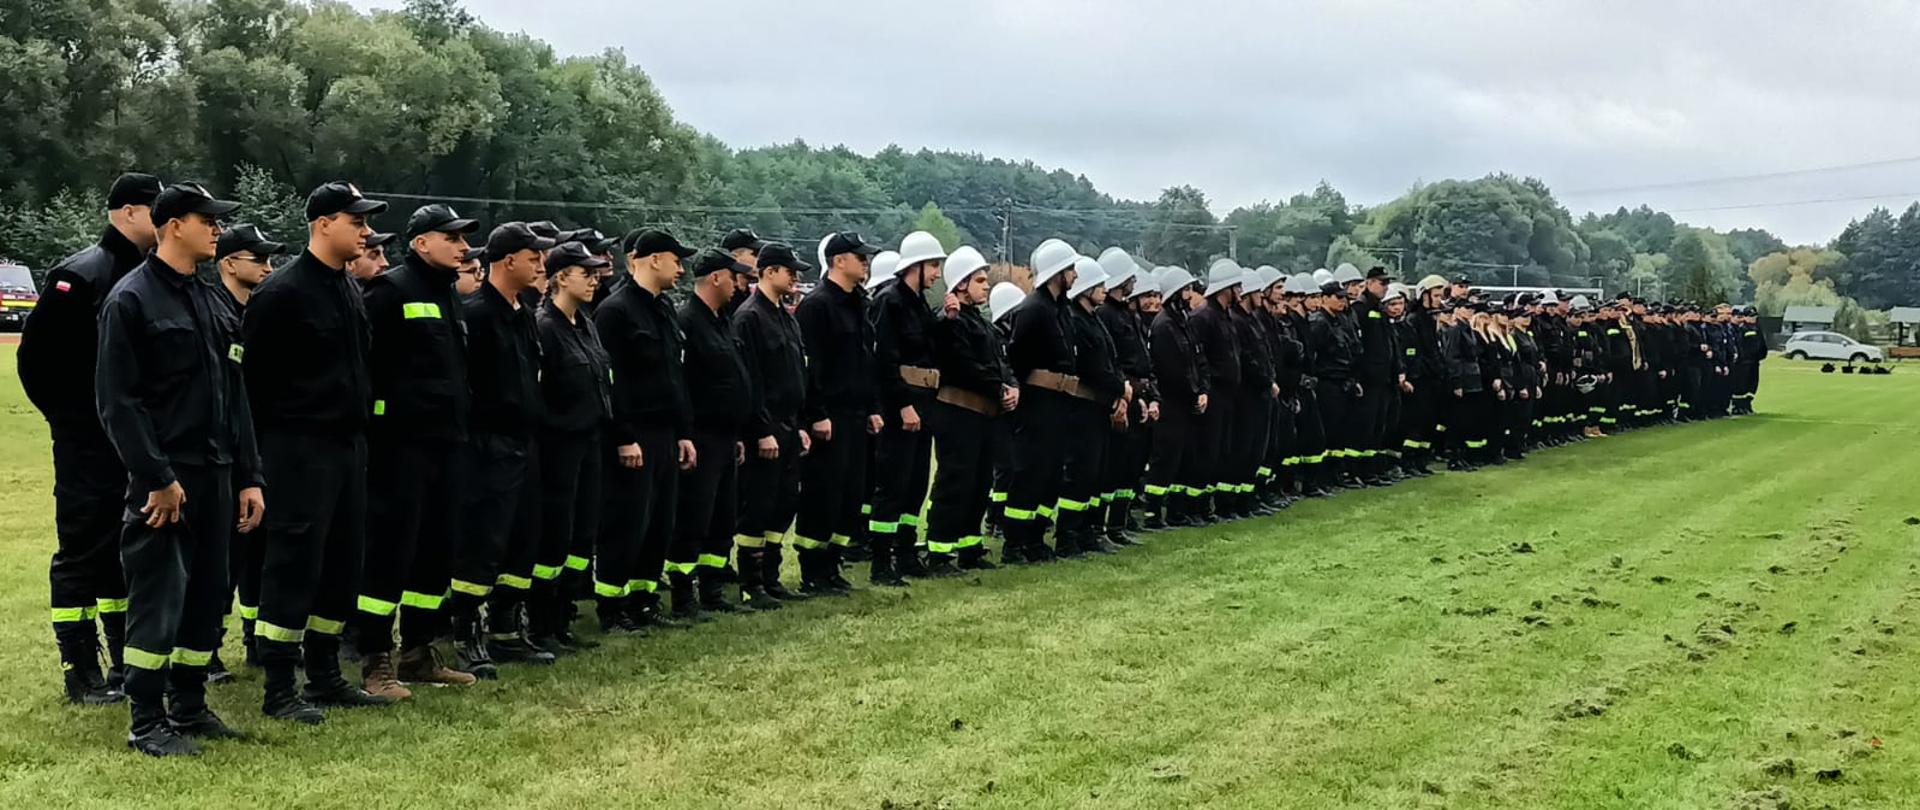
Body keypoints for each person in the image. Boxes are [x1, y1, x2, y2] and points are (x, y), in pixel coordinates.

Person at [96, 181, 264, 755]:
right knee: (159, 597)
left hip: (217, 474)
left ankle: (189, 706)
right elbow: (119, 403)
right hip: (167, 478)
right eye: (207, 220)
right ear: (172, 226)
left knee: (207, 594)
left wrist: (249, 476)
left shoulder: (211, 300)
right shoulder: (132, 299)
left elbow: (235, 396)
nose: (216, 229)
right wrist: (156, 478)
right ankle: (146, 719)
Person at [242, 181, 389, 721]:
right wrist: (255, 465)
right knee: (293, 564)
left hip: (348, 449)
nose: (366, 231)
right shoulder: (282, 293)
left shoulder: (348, 288)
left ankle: (325, 676)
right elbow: (252, 386)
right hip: (297, 451)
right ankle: (279, 687)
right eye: (357, 221)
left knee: (342, 563)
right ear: (323, 223)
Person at [18, 172, 162, 706]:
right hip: (87, 440)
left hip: (133, 441)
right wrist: (75, 424)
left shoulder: (151, 276)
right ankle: (80, 668)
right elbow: (37, 362)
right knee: (82, 547)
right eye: (154, 209)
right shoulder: (81, 274)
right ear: (127, 212)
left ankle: (124, 662)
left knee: (123, 551)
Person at [355, 203, 482, 698]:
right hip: (398, 448)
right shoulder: (389, 291)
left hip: (446, 445)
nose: (464, 247)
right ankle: (375, 660)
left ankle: (418, 651)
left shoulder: (447, 296)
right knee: (389, 553)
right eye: (452, 238)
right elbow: (366, 367)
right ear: (421, 243)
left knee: (434, 552)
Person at [451, 222, 556, 674]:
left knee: (522, 538)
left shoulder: (522, 314)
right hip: (486, 444)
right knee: (482, 541)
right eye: (534, 257)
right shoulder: (475, 314)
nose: (541, 265)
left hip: (524, 442)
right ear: (508, 260)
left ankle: (508, 628)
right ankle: (465, 631)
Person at [594, 228, 696, 629]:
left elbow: (675, 374)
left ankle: (644, 600)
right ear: (653, 259)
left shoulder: (665, 308)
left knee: (658, 524)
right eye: (675, 259)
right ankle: (611, 606)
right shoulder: (615, 311)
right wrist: (623, 436)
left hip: (665, 434)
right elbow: (609, 382)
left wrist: (684, 431)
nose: (681, 268)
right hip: (633, 435)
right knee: (626, 523)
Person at [207, 223, 286, 679]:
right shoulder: (211, 308)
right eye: (259, 259)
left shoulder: (257, 310)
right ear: (230, 262)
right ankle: (208, 647)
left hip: (257, 448)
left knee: (254, 550)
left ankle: (253, 637)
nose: (269, 267)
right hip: (220, 451)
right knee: (221, 557)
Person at [532, 241, 613, 651]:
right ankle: (541, 622)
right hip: (559, 448)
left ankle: (562, 617)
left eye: (597, 272)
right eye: (586, 273)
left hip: (590, 443)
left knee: (582, 536)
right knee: (555, 536)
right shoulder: (544, 326)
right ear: (560, 276)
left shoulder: (585, 323)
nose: (595, 279)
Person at [792, 232, 883, 590]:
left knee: (850, 493)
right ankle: (812, 569)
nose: (866, 262)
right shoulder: (817, 306)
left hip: (857, 415)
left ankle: (832, 564)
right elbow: (810, 366)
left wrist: (873, 407)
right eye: (859, 257)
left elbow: (866, 360)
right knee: (823, 493)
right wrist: (816, 413)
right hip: (829, 416)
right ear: (838, 261)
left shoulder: (859, 303)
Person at [670, 248, 754, 618]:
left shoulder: (723, 321)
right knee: (694, 517)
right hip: (700, 436)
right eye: (734, 276)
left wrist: (736, 431)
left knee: (722, 517)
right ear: (716, 277)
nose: (739, 284)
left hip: (724, 436)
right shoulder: (687, 321)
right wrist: (686, 433)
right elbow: (683, 384)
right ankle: (683, 596)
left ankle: (713, 589)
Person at [924, 246, 1014, 574]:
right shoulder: (949, 321)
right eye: (979, 280)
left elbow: (1000, 362)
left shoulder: (982, 323)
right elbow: (962, 365)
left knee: (978, 484)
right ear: (961, 285)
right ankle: (939, 551)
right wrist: (998, 387)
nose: (986, 286)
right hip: (958, 413)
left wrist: (1009, 385)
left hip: (984, 415)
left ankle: (969, 545)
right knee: (955, 481)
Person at [732, 243, 813, 608]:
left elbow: (797, 374)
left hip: (789, 424)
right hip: (765, 428)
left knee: (784, 503)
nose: (795, 276)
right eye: (789, 270)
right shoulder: (750, 317)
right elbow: (750, 380)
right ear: (768, 272)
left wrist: (800, 424)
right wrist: (761, 429)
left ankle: (771, 576)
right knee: (759, 505)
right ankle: (750, 583)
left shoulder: (786, 317)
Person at [868, 231, 946, 584]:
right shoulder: (890, 301)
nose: (936, 273)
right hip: (902, 404)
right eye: (932, 265)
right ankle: (881, 561)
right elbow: (885, 360)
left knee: (916, 483)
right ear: (913, 266)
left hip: (924, 403)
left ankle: (905, 552)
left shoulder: (919, 303)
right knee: (893, 483)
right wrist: (902, 405)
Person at [1001, 240, 1079, 562]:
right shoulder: (1033, 310)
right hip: (1037, 407)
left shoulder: (1061, 309)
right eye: (1070, 269)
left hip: (1060, 404)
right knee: (1030, 473)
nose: (1075, 274)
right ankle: (1015, 542)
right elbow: (1017, 359)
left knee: (1051, 473)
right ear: (1057, 273)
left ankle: (1036, 536)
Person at [1057, 257, 1124, 555]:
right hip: (1083, 408)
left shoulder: (1094, 319)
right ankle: (1068, 534)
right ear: (1085, 288)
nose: (1105, 289)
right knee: (1080, 474)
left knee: (1097, 473)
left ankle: (1089, 531)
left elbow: (1111, 359)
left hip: (1100, 406)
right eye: (1099, 284)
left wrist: (1120, 391)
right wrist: (1121, 388)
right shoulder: (1076, 321)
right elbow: (1092, 367)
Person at [1095, 249, 1155, 544]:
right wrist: (1122, 396)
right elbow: (1113, 360)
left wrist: (1144, 395)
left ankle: (1119, 523)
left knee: (1131, 466)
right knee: (1114, 466)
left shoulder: (1126, 314)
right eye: (1130, 277)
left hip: (1136, 395)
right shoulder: (1106, 314)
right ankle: (1103, 526)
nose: (1134, 281)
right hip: (1121, 396)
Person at [1144, 267, 1205, 528]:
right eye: (1186, 289)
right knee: (1165, 459)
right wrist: (1193, 393)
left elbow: (1197, 359)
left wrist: (1201, 391)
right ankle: (1153, 513)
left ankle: (1178, 511)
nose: (1190, 294)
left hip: (1186, 403)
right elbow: (1171, 369)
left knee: (1184, 458)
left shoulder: (1183, 321)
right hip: (1171, 402)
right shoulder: (1164, 325)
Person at [1190, 261, 1242, 519]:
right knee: (1207, 451)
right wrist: (1205, 387)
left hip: (1229, 394)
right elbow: (1198, 358)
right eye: (1237, 286)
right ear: (1226, 288)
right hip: (1214, 393)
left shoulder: (1226, 316)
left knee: (1224, 450)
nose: (1241, 291)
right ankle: (1198, 506)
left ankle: (1220, 504)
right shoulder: (1203, 317)